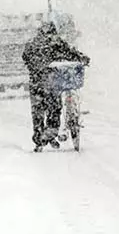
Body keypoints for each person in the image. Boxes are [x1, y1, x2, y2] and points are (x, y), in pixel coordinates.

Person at [22, 21, 90, 151]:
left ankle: (39, 135)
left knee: (37, 110)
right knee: (54, 106)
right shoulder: (56, 43)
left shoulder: (32, 44)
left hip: (36, 83)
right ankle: (51, 130)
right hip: (50, 83)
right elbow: (70, 53)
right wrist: (82, 58)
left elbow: (25, 57)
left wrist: (35, 66)